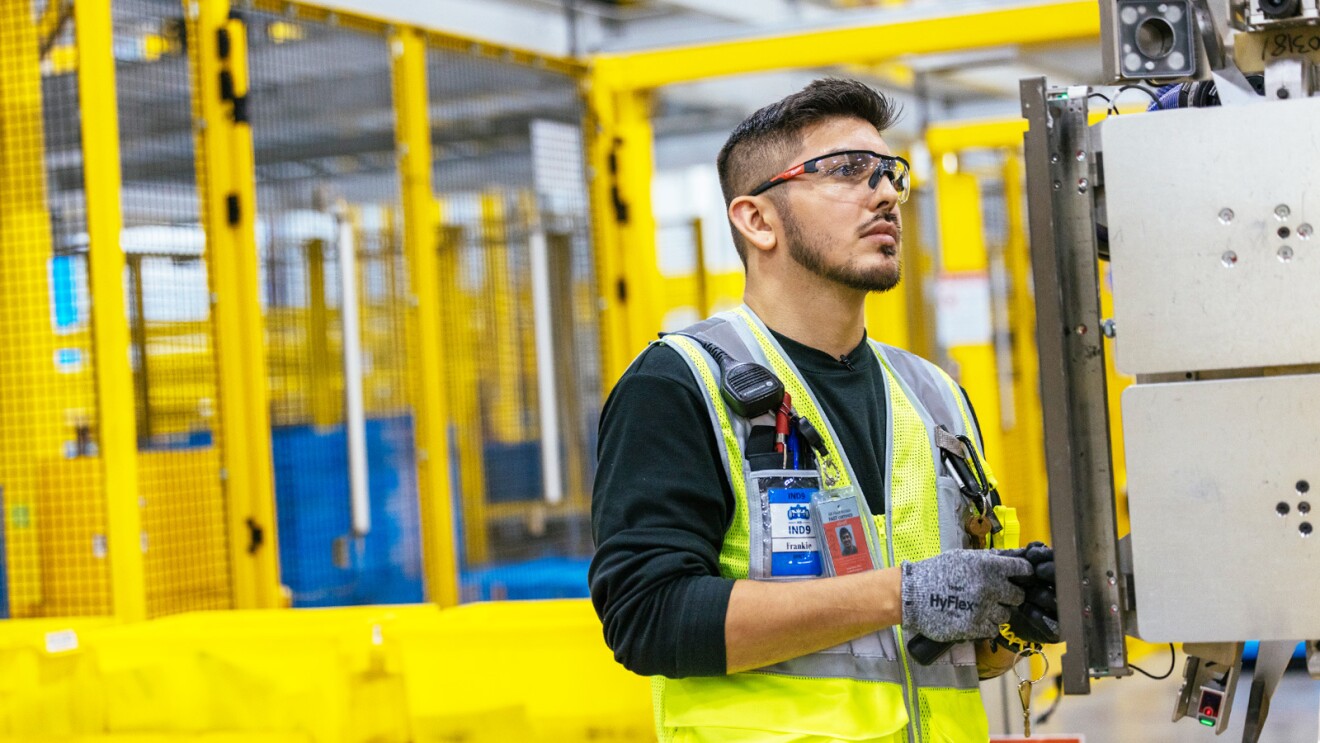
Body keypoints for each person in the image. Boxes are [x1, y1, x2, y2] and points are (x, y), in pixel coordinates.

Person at [590, 78, 1041, 743]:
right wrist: (903, 593)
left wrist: (1013, 610)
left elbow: (959, 654)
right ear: (757, 219)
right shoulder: (681, 384)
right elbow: (647, 616)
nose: (885, 193)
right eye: (847, 171)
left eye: (889, 173)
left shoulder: (933, 394)